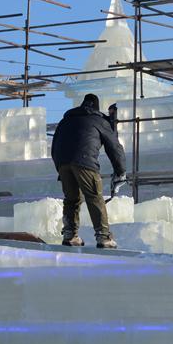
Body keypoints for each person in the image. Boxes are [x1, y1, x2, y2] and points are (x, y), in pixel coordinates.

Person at [51, 93, 127, 248]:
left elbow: (54, 146)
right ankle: (103, 237)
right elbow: (115, 148)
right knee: (94, 197)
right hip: (85, 161)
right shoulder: (99, 120)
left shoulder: (66, 120)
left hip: (62, 161)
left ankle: (70, 235)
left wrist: (61, 167)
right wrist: (121, 172)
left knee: (71, 199)